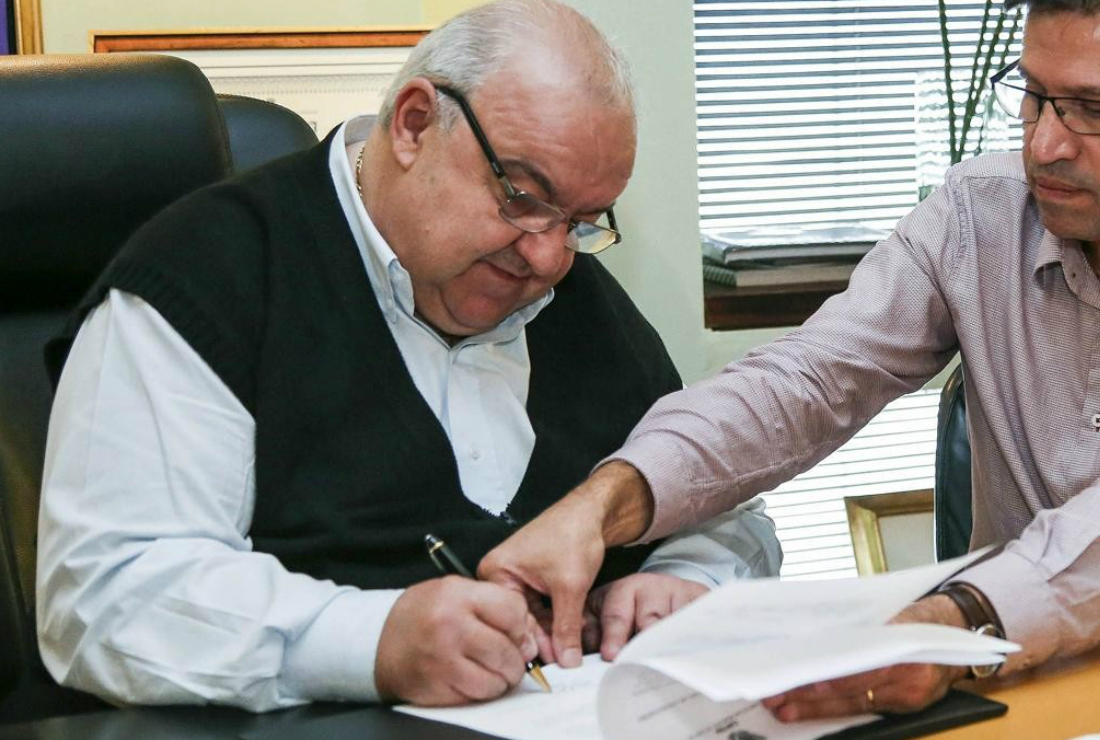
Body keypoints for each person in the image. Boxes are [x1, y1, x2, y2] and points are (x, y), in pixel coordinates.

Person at [36, 0, 781, 712]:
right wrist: (374, 642)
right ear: (415, 124)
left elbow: (725, 511)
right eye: (523, 198)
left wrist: (687, 579)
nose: (550, 256)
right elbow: (107, 597)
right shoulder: (208, 276)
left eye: (581, 222)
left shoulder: (575, 297)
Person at [479, 0, 1100, 721]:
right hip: (1014, 694)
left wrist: (954, 620)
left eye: (1093, 110)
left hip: (990, 647)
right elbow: (806, 381)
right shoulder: (979, 218)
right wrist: (602, 505)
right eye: (1034, 95)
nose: (1045, 144)